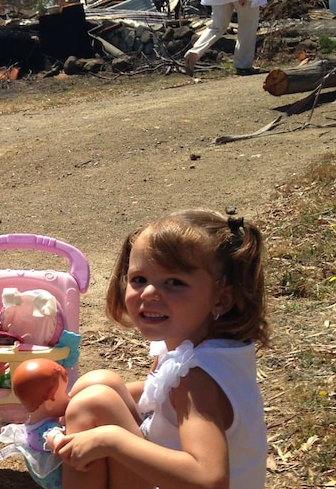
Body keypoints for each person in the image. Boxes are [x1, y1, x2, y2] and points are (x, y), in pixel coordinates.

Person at [48, 208, 270, 489]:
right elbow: (160, 392)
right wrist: (68, 402)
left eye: (174, 282)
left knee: (92, 405)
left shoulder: (196, 379)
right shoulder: (207, 350)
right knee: (98, 384)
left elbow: (209, 480)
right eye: (139, 279)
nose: (149, 293)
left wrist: (110, 441)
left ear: (221, 300)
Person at [0, 358, 70, 489]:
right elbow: (56, 440)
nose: (69, 397)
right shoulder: (48, 430)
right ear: (49, 403)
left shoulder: (34, 421)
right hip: (62, 482)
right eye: (64, 393)